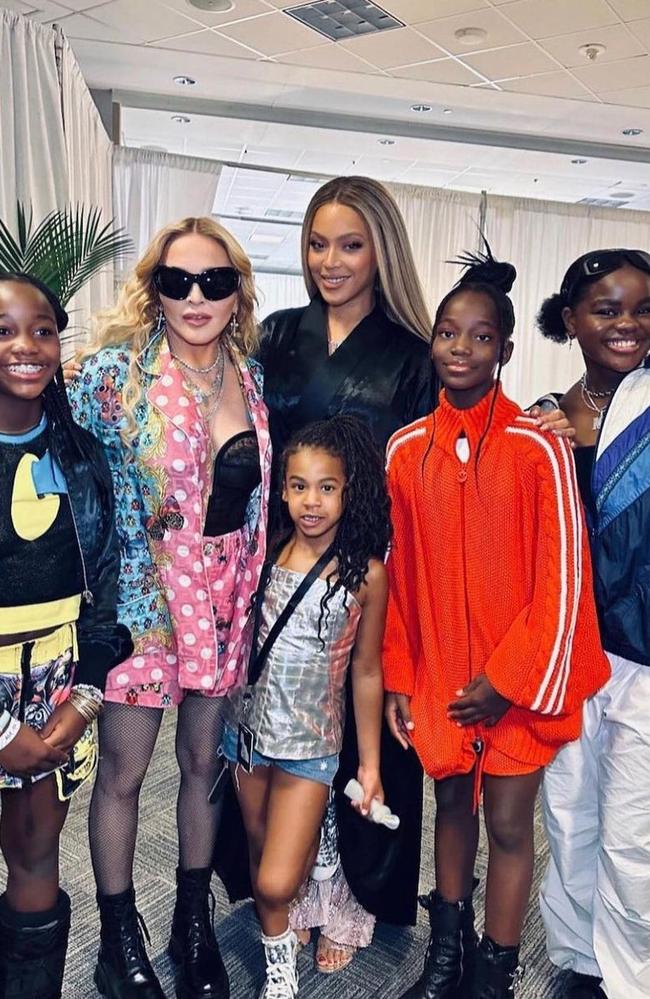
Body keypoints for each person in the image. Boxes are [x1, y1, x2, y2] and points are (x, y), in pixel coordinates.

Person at [383, 247, 609, 999]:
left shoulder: (538, 445)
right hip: (445, 672)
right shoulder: (406, 450)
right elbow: (402, 579)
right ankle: (443, 960)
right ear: (433, 340)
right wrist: (401, 674)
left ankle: (494, 972)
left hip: (517, 680)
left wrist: (508, 681)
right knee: (449, 808)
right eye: (449, 332)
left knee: (510, 826)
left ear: (506, 349)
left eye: (481, 336)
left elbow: (564, 577)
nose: (461, 347)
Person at [66, 217, 271, 999]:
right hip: (142, 602)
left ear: (236, 291)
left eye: (214, 282)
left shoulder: (248, 379)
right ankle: (118, 943)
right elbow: (38, 428)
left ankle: (192, 925)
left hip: (223, 601)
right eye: (177, 281)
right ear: (154, 290)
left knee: (202, 768)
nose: (196, 296)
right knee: (121, 774)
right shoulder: (109, 375)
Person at [223, 414, 390, 998]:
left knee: (273, 883)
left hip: (312, 745)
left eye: (326, 487)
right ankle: (285, 930)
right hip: (247, 737)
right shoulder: (265, 553)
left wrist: (369, 765)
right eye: (298, 486)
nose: (310, 502)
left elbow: (368, 671)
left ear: (351, 490)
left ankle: (279, 976)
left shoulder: (366, 574)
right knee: (258, 847)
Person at [0, 274, 131, 997]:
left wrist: (81, 699)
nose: (25, 344)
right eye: (4, 328)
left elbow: (106, 591)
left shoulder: (83, 455)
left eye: (42, 328)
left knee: (34, 852)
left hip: (56, 685)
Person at [537, 249, 650, 999]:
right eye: (607, 310)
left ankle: (629, 976)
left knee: (635, 828)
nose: (628, 325)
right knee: (569, 813)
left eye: (643, 310)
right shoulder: (544, 416)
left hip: (646, 656)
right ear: (572, 319)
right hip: (574, 653)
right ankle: (579, 958)